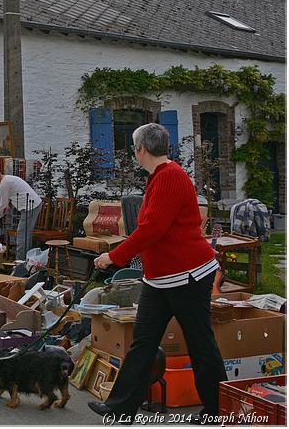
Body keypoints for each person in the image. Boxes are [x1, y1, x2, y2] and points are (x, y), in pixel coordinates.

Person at [89, 123, 225, 424]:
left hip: (188, 275)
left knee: (200, 342)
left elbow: (151, 229)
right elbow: (152, 229)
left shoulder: (169, 177)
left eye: (134, 149)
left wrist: (114, 256)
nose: (134, 154)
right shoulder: (159, 176)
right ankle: (120, 407)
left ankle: (217, 410)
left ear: (141, 149)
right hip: (161, 277)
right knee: (143, 341)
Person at [0, 167, 42, 260]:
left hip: (30, 207)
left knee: (22, 235)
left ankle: (20, 262)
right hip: (32, 205)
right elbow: (6, 206)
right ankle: (27, 260)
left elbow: (3, 205)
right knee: (25, 235)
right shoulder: (8, 178)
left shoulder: (4, 184)